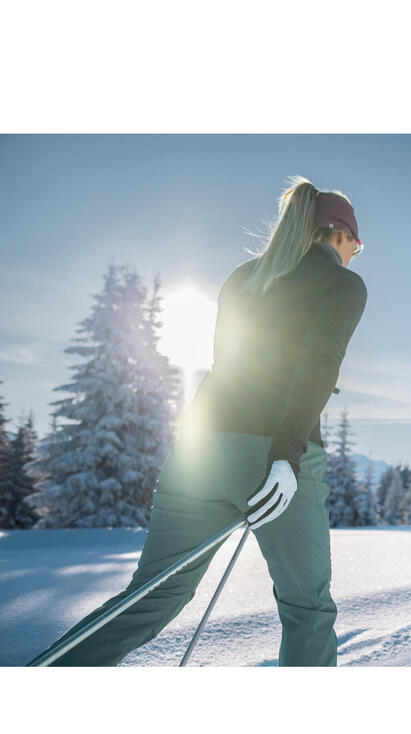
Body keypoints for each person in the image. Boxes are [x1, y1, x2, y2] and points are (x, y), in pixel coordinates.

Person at [46, 176, 368, 666]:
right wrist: (285, 455)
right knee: (307, 607)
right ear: (340, 234)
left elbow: (231, 366)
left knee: (151, 596)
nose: (355, 256)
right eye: (356, 246)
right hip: (272, 457)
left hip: (200, 451)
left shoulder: (243, 277)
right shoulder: (343, 284)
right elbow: (316, 365)